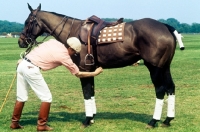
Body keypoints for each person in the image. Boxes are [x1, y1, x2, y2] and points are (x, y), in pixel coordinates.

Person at [10, 37, 103, 131]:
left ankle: (14, 123)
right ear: (70, 48)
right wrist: (95, 73)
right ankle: (41, 125)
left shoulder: (53, 42)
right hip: (31, 69)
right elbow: (78, 74)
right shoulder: (64, 56)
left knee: (21, 97)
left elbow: (38, 49)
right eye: (74, 52)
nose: (73, 55)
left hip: (22, 64)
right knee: (47, 97)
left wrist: (25, 59)